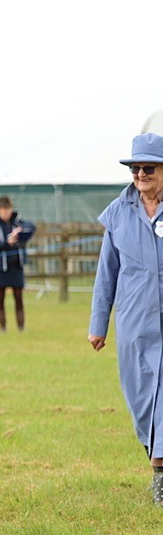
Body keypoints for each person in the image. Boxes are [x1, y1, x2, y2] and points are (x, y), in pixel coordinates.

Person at [88, 132, 163, 505]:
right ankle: (155, 455)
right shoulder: (118, 213)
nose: (141, 175)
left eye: (149, 168)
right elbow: (107, 273)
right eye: (136, 169)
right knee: (140, 397)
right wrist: (98, 325)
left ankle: (160, 473)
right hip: (134, 321)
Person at [0, 194, 36, 332]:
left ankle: (21, 328)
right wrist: (7, 243)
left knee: (19, 297)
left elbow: (31, 227)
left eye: (8, 209)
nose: (6, 212)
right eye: (3, 209)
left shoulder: (18, 222)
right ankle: (3, 328)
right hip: (0, 267)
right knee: (0, 298)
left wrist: (20, 232)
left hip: (16, 266)